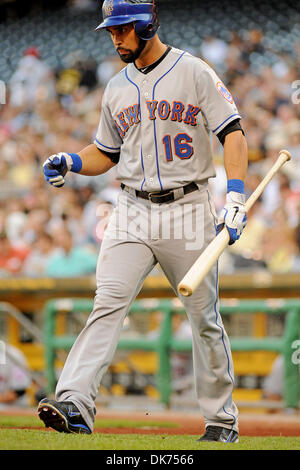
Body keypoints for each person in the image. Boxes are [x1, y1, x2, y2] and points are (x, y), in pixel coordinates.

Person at [38, 0, 248, 443]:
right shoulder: (116, 86)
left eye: (122, 29)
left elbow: (232, 132)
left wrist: (235, 195)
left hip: (188, 206)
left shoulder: (194, 71)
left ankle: (221, 421)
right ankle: (74, 401)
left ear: (147, 24)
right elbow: (106, 154)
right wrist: (72, 160)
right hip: (131, 209)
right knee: (107, 300)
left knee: (203, 317)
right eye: (111, 30)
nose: (115, 37)